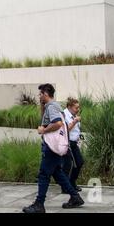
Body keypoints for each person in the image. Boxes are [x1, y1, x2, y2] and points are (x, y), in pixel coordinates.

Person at [22, 84, 84, 213]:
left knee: (44, 174)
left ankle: (39, 204)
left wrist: (44, 130)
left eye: (40, 94)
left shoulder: (52, 106)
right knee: (58, 173)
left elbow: (58, 123)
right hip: (54, 147)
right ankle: (75, 197)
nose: (39, 96)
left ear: (45, 94)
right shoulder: (51, 106)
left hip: (51, 147)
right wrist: (42, 107)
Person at [62, 97, 84, 192]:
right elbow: (65, 129)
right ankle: (65, 187)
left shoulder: (74, 115)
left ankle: (71, 182)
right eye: (76, 107)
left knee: (79, 162)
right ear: (70, 107)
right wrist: (75, 121)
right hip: (67, 143)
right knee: (68, 165)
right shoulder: (64, 115)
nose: (78, 109)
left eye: (78, 107)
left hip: (74, 143)